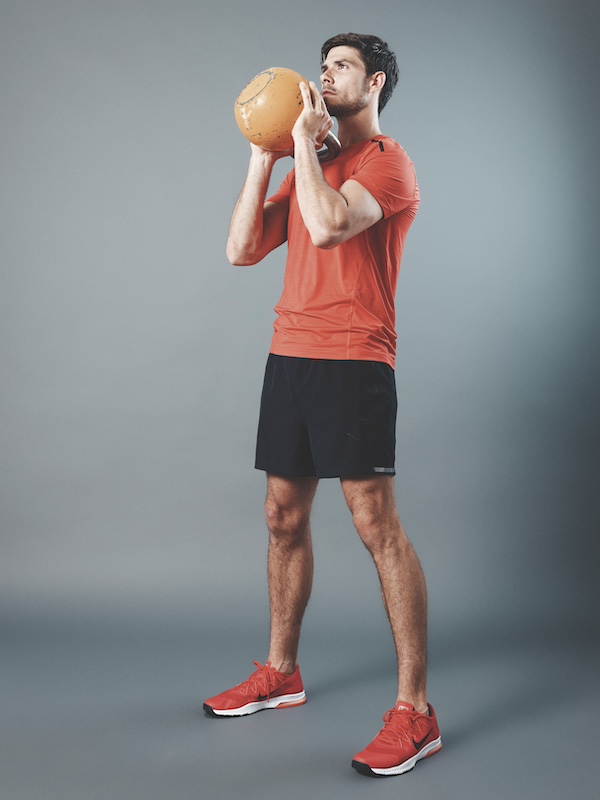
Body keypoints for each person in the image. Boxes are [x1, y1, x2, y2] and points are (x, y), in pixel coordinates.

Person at [203, 32, 442, 778]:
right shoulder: (315, 161)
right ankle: (281, 672)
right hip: (292, 357)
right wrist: (263, 152)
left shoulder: (385, 162)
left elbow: (333, 225)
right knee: (281, 515)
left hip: (355, 358)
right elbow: (241, 250)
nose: (323, 77)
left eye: (339, 67)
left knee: (376, 526)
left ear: (371, 84)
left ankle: (416, 711)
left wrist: (304, 149)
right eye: (322, 66)